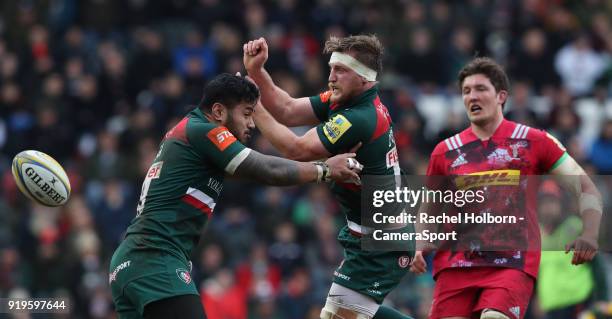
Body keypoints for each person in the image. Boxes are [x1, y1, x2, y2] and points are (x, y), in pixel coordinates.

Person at [108, 73, 363, 319]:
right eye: (247, 114)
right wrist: (326, 170)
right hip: (154, 259)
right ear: (218, 112)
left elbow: (261, 173)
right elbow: (268, 170)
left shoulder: (189, 136)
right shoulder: (205, 131)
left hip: (132, 263)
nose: (251, 124)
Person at [409, 57, 602, 319]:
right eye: (466, 91)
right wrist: (420, 241)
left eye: (480, 89)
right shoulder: (444, 151)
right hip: (455, 266)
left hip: (511, 263)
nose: (472, 97)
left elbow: (586, 187)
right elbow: (429, 211)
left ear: (501, 96)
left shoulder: (534, 140)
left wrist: (590, 233)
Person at [243, 35, 414, 319]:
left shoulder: (357, 117)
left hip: (382, 242)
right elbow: (287, 110)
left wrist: (254, 105)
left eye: (341, 70)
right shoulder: (346, 101)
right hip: (370, 235)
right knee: (347, 315)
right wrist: (256, 72)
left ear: (364, 78)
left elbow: (295, 149)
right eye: (331, 68)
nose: (331, 77)